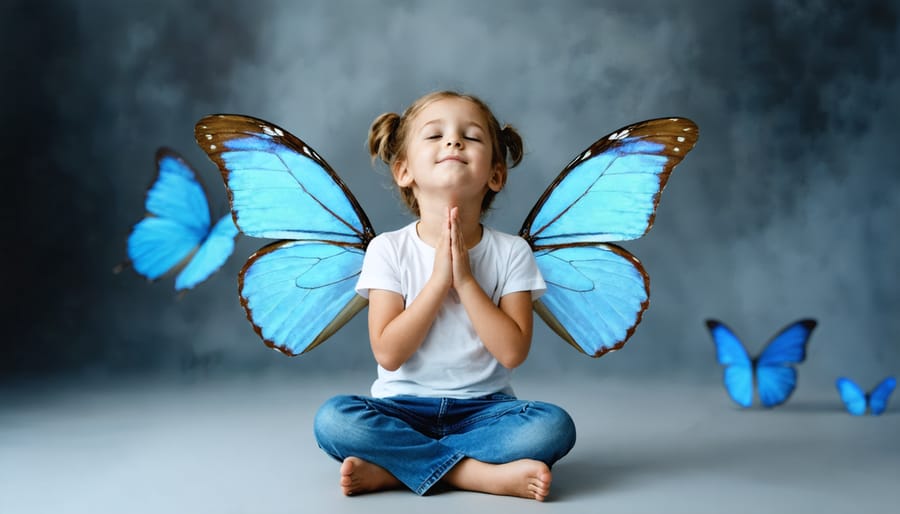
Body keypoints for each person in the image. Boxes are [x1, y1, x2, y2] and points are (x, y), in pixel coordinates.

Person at [313, 91, 576, 501]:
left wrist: (466, 281)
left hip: (485, 413)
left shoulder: (512, 252)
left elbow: (512, 352)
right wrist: (438, 282)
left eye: (470, 137)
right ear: (404, 171)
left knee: (553, 427)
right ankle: (476, 475)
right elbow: (388, 353)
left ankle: (400, 470)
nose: (453, 142)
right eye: (434, 135)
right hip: (401, 410)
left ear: (495, 174)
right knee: (335, 420)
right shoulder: (387, 249)